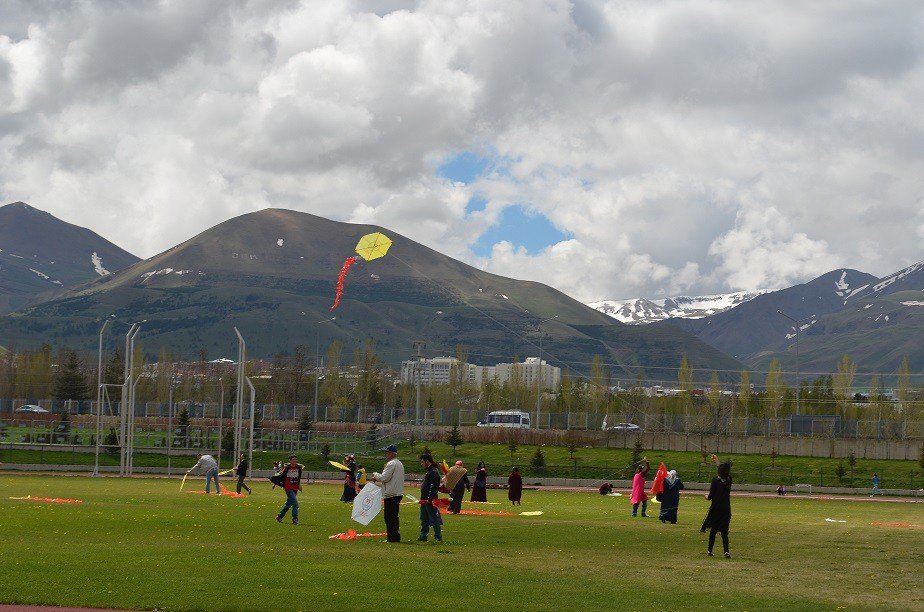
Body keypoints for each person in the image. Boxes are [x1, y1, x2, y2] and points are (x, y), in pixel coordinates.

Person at [700, 454, 732, 558]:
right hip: (726, 509)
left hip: (716, 509)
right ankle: (726, 551)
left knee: (713, 531)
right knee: (724, 532)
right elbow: (724, 472)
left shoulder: (715, 481)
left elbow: (710, 497)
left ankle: (710, 550)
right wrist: (717, 461)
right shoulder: (729, 480)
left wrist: (706, 496)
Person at [371, 444, 405, 543]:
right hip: (397, 493)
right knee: (394, 517)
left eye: (387, 452)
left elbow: (384, 478)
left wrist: (375, 474)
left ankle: (392, 538)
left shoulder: (391, 464)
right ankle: (395, 537)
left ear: (391, 453)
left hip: (391, 494)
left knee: (389, 517)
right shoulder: (399, 463)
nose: (385, 454)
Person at [418, 453, 443, 542]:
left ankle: (438, 536)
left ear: (427, 462)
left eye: (422, 462)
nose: (421, 464)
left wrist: (429, 499)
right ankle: (423, 535)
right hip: (424, 500)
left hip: (430, 500)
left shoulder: (433, 472)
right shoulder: (429, 471)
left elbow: (433, 487)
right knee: (423, 518)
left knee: (433, 518)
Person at [276, 454, 303, 525]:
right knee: (295, 504)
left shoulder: (299, 468)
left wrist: (299, 485)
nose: (295, 461)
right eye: (293, 459)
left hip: (295, 488)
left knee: (288, 504)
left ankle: (279, 516)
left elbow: (299, 477)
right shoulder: (287, 468)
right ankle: (295, 519)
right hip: (288, 488)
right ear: (290, 461)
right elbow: (281, 475)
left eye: (295, 459)